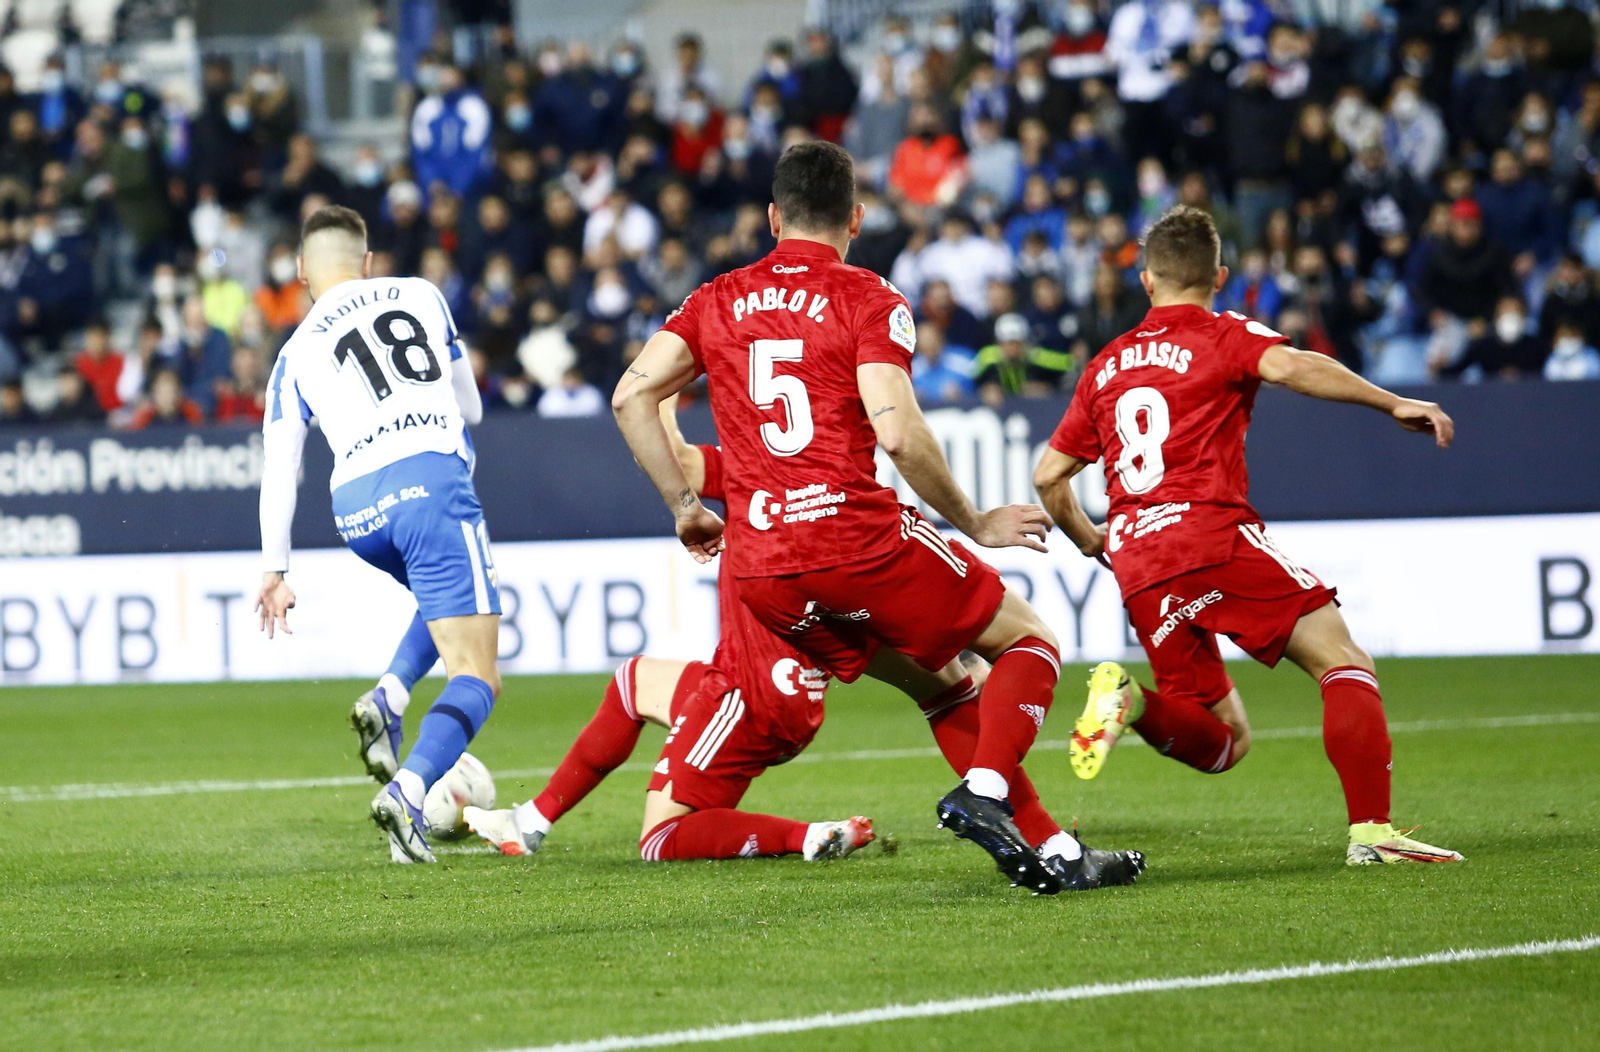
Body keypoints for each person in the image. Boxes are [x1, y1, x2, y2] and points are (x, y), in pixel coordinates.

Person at [611, 141, 1144, 895]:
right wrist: (975, 521)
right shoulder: (867, 297)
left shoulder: (714, 298)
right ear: (855, 219)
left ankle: (1053, 850)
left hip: (763, 571)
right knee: (1032, 640)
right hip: (851, 540)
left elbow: (630, 398)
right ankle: (985, 793)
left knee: (943, 684)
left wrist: (686, 509)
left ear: (772, 218)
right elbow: (897, 433)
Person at [1031, 206, 1464, 868]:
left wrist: (1091, 539)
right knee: (1343, 660)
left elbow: (1048, 475)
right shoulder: (1222, 332)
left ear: (1145, 281)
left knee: (1226, 740)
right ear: (1220, 276)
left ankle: (1132, 700)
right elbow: (1290, 369)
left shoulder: (1107, 364)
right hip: (1210, 532)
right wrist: (1391, 402)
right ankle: (1372, 833)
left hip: (1140, 560)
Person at [255, 206, 498, 866]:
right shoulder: (420, 294)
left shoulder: (293, 352)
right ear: (368, 263)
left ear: (302, 272)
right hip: (430, 485)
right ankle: (410, 792)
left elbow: (281, 462)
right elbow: (471, 406)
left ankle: (390, 697)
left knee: (442, 602)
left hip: (356, 510)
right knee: (477, 673)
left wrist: (276, 569)